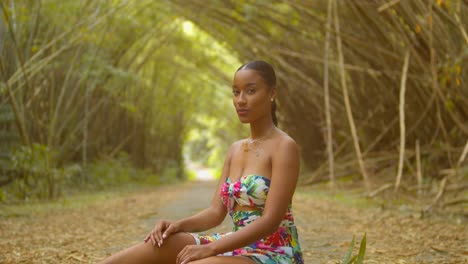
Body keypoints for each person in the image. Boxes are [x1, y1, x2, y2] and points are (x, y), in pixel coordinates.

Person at [100, 60, 304, 264]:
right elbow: (216, 213)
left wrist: (210, 249)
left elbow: (270, 221)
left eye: (250, 91)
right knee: (161, 244)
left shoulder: (284, 147)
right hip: (235, 245)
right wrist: (177, 226)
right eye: (235, 92)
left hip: (273, 252)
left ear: (272, 93)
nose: (241, 100)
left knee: (195, 262)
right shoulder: (235, 149)